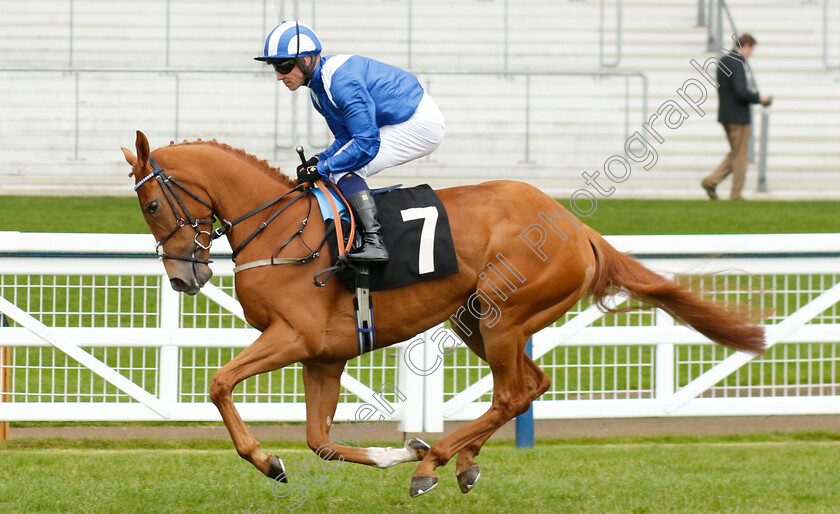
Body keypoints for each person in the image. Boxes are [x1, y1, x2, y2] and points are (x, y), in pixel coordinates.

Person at [256, 20, 446, 263]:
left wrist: (323, 167)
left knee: (343, 167)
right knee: (334, 166)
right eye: (275, 67)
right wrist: (319, 159)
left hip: (419, 123)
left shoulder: (340, 81)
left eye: (283, 65)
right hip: (399, 119)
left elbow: (365, 144)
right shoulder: (318, 90)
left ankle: (375, 241)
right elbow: (346, 138)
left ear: (306, 59)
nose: (279, 76)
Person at [701, 33, 772, 201]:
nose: (750, 54)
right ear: (746, 46)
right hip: (738, 117)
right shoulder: (738, 62)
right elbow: (741, 91)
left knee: (735, 153)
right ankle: (735, 194)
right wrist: (758, 98)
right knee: (740, 157)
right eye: (751, 50)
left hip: (725, 114)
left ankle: (712, 182)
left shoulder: (724, 61)